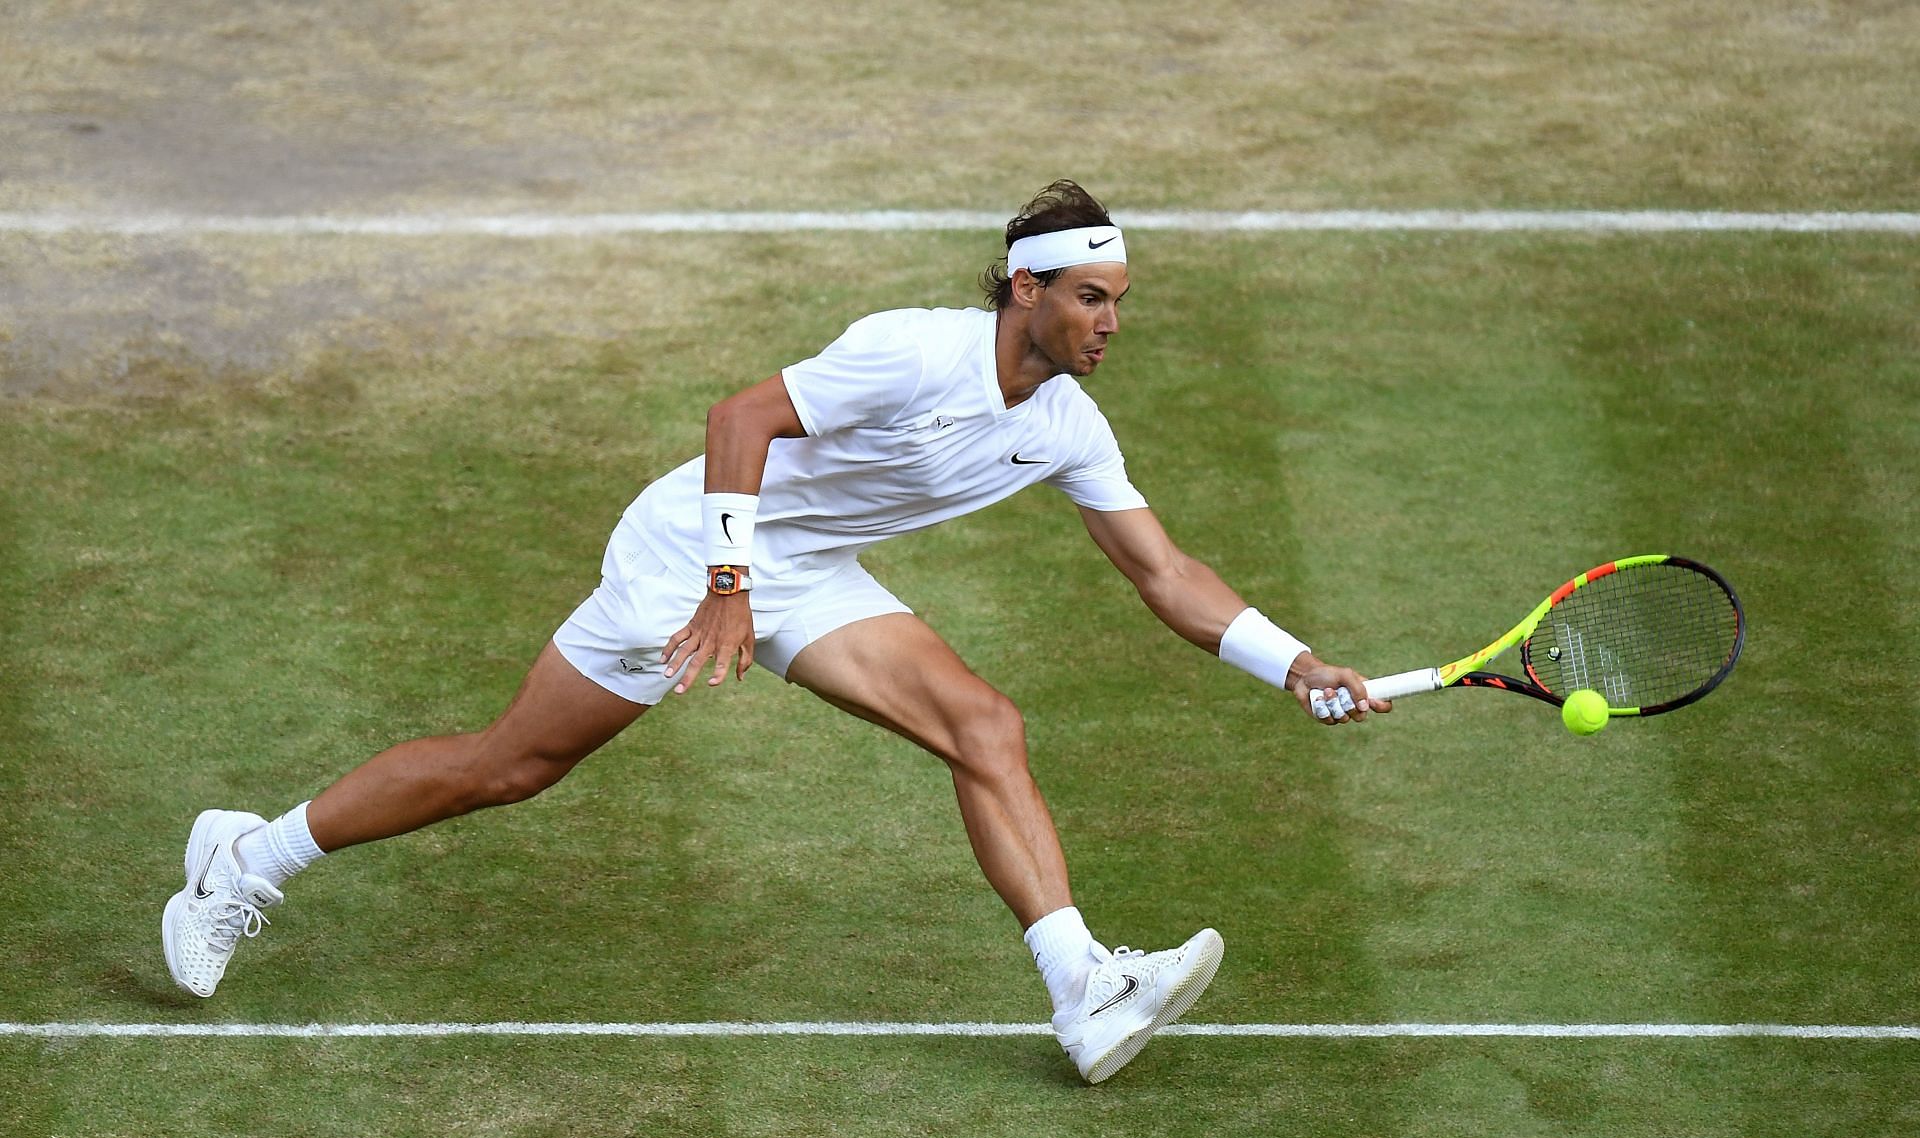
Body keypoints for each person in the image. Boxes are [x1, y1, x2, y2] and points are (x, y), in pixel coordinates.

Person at [161, 179, 1388, 1084]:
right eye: (1090, 297)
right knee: (514, 766)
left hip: (803, 570)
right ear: (1026, 288)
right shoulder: (913, 352)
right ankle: (247, 861)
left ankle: (1084, 989)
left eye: (1119, 300)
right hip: (694, 548)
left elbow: (1163, 570)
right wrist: (727, 578)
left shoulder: (1067, 422)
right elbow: (739, 414)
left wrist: (1292, 663)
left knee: (984, 723)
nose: (1111, 322)